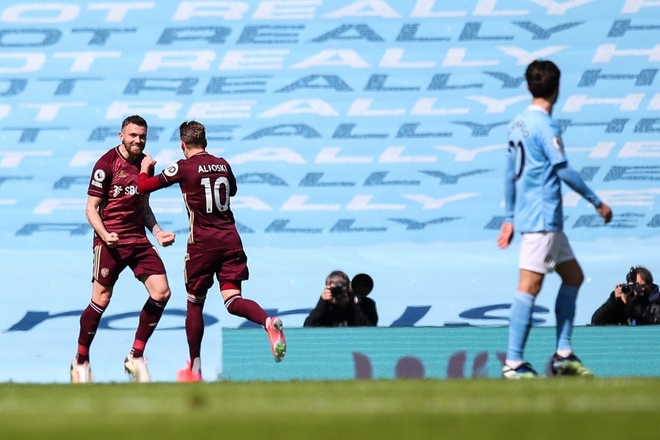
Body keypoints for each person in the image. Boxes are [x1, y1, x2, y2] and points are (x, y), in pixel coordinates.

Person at [137, 120, 286, 382]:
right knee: (232, 299)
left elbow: (144, 187)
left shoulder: (183, 167)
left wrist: (145, 169)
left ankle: (195, 370)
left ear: (183, 144)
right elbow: (233, 191)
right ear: (205, 142)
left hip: (203, 244)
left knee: (195, 303)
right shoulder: (223, 164)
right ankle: (267, 322)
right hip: (231, 240)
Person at [496, 59, 613, 379]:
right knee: (529, 288)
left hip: (540, 219)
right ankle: (514, 364)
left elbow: (509, 172)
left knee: (573, 276)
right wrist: (597, 202)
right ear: (558, 88)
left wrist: (509, 217)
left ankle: (563, 355)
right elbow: (563, 170)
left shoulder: (518, 122)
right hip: (542, 217)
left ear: (527, 86)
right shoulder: (546, 126)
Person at [71, 115, 176, 384]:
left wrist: (158, 231)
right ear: (121, 136)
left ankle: (135, 356)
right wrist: (105, 235)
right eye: (133, 135)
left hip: (137, 239)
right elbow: (90, 209)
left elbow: (144, 207)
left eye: (142, 136)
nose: (138, 140)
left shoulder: (145, 166)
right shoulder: (106, 165)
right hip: (110, 241)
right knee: (101, 299)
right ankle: (80, 361)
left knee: (162, 292)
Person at [303, 270, 377, 327]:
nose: (338, 292)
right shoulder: (325, 308)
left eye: (341, 289)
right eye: (334, 289)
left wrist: (349, 305)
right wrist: (322, 302)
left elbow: (369, 329)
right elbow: (308, 327)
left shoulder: (366, 304)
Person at [591, 266, 660, 326]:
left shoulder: (656, 302)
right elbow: (596, 321)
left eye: (641, 286)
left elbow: (655, 323)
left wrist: (634, 305)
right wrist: (613, 300)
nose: (637, 289)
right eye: (634, 285)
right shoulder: (622, 303)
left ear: (650, 286)